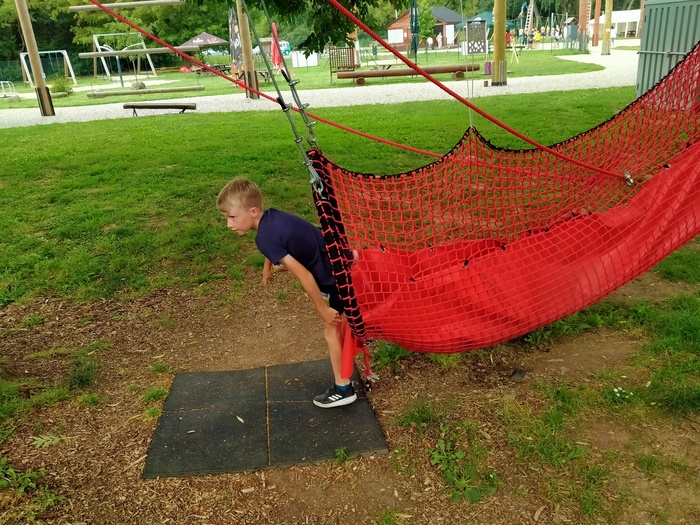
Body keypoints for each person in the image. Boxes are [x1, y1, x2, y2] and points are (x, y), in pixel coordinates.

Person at [216, 178, 357, 408]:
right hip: (337, 254)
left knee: (331, 332)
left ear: (253, 212)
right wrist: (267, 267)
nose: (229, 224)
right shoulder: (272, 217)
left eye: (232, 217)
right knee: (337, 323)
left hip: (334, 277)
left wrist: (322, 310)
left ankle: (343, 389)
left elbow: (305, 275)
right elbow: (279, 245)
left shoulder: (264, 239)